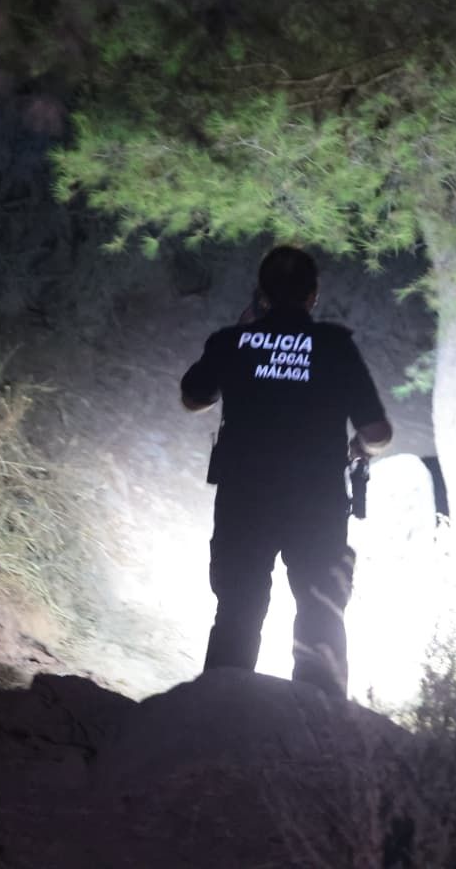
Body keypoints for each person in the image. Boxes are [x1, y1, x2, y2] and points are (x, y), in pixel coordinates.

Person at [180, 245, 393, 698]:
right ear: (313, 296)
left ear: (261, 294)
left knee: (238, 609)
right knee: (320, 615)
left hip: (245, 500)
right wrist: (359, 446)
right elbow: (377, 431)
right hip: (316, 504)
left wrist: (242, 338)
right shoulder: (336, 346)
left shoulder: (231, 342)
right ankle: (316, 733)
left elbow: (194, 398)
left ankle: (217, 720)